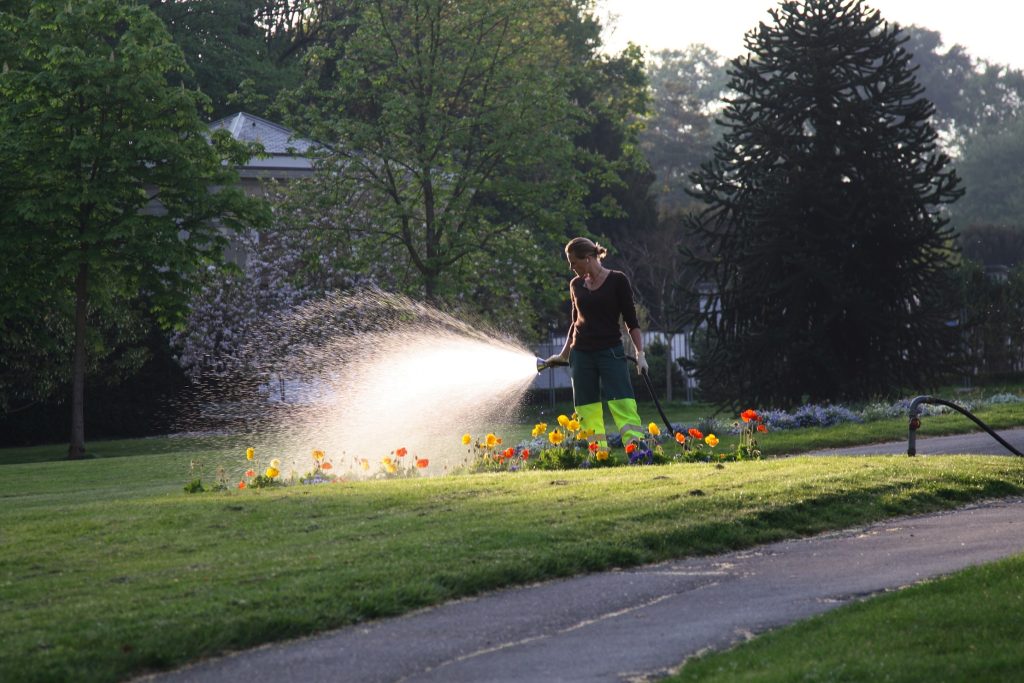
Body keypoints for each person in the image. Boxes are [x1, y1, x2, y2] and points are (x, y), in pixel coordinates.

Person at [544, 237, 647, 448]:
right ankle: (597, 453)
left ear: (589, 258)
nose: (571, 267)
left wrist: (640, 354)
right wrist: (563, 355)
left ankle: (636, 450)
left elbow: (631, 321)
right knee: (586, 407)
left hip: (611, 352)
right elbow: (575, 323)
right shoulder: (576, 285)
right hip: (581, 354)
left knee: (622, 401)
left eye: (574, 262)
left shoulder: (618, 280)